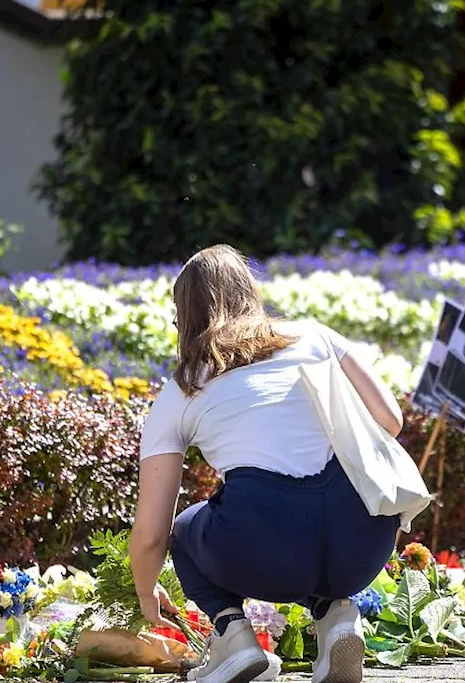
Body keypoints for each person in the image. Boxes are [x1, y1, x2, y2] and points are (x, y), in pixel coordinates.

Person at [129, 244, 404, 683]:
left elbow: (150, 535)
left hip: (266, 550)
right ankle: (336, 617)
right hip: (365, 540)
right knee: (316, 517)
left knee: (184, 529)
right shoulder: (316, 336)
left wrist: (146, 592)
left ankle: (234, 639)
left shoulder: (182, 389)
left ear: (185, 315)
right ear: (249, 292)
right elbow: (390, 420)